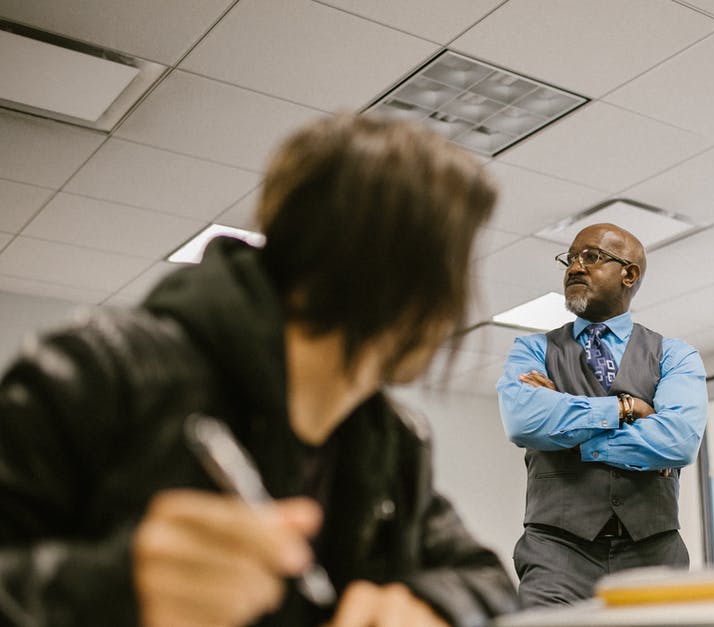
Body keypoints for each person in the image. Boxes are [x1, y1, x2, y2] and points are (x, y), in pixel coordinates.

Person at [0, 114, 518, 626]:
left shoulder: (393, 440)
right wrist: (110, 592)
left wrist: (431, 603)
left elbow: (486, 580)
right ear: (399, 273)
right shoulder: (97, 369)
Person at [496, 223, 708, 607]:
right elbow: (524, 421)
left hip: (654, 556)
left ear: (629, 273)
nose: (575, 267)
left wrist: (567, 428)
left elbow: (677, 440)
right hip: (555, 556)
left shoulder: (676, 355)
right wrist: (627, 409)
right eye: (570, 258)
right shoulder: (531, 350)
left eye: (591, 256)